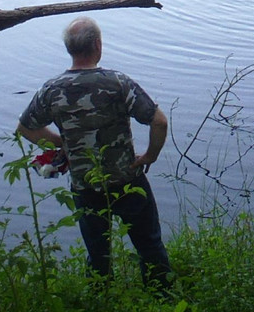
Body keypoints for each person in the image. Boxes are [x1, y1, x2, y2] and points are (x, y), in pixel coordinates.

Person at [16, 16, 173, 289]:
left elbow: (26, 128)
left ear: (70, 49)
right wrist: (150, 156)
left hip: (85, 185)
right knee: (149, 246)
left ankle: (102, 299)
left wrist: (62, 143)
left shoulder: (52, 90)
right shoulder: (118, 83)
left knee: (98, 256)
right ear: (98, 46)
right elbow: (159, 121)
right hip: (127, 181)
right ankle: (163, 297)